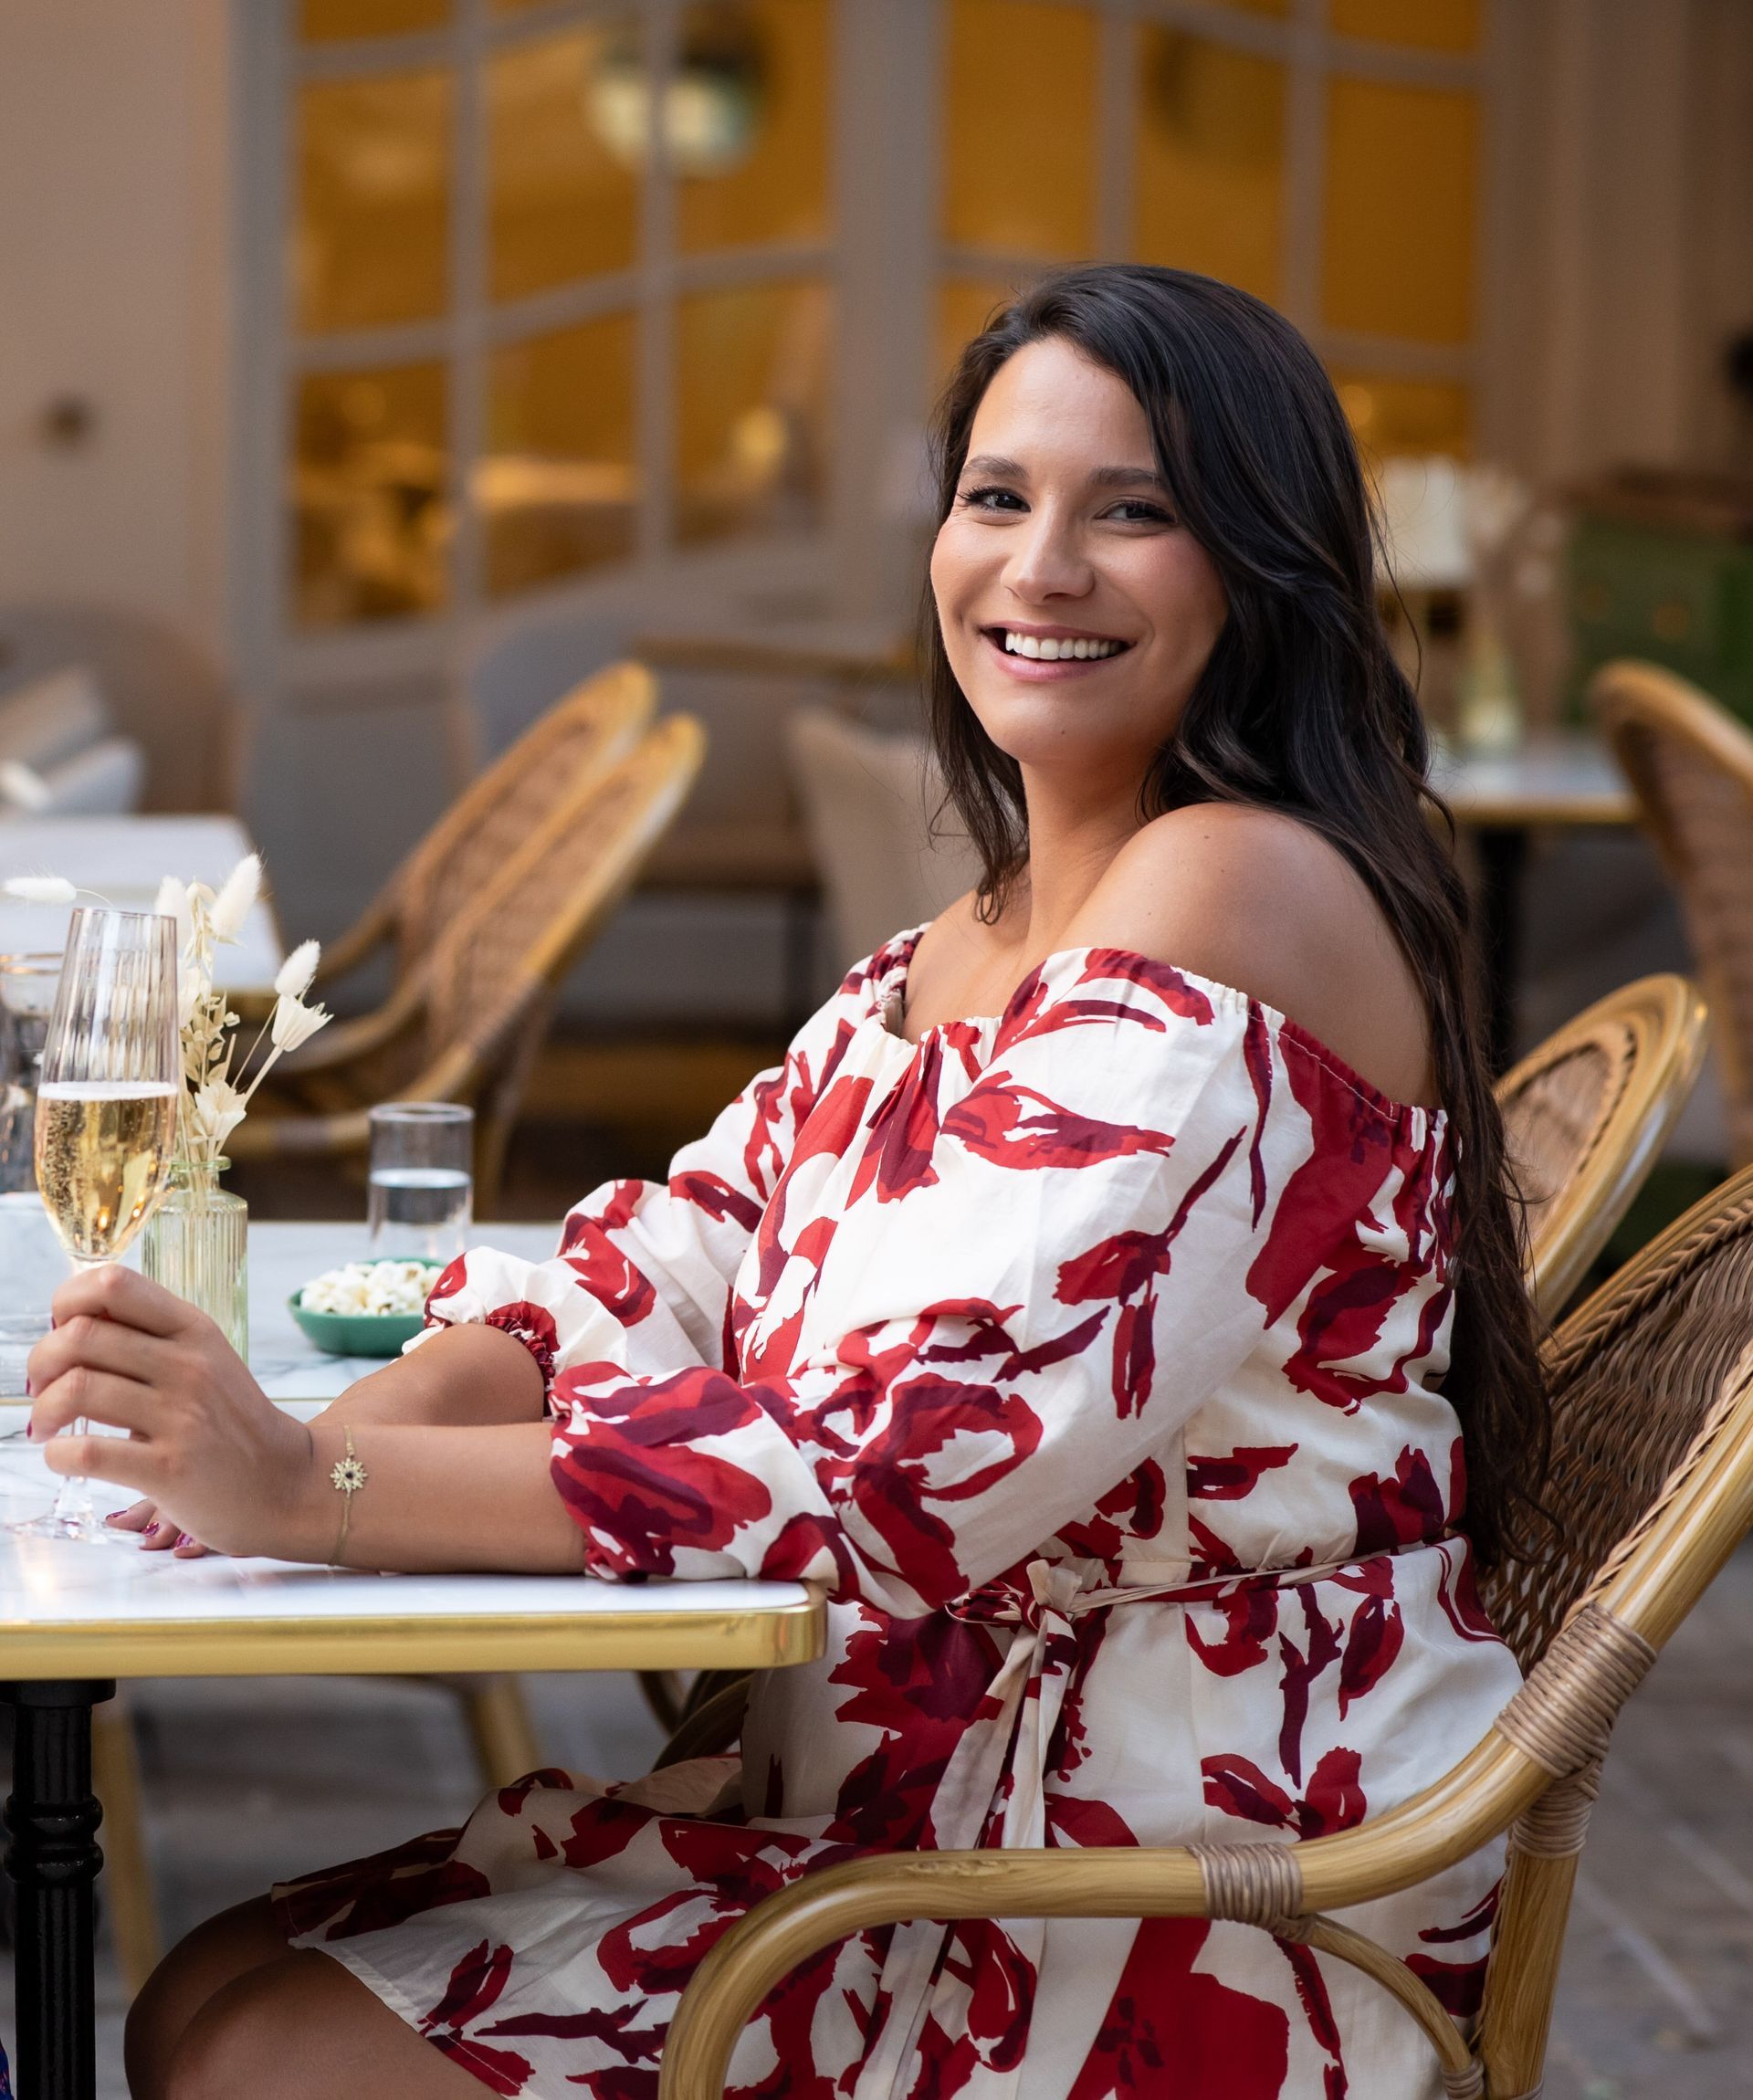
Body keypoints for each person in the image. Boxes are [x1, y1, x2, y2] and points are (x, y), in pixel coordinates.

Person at [32, 265, 1547, 2100]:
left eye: (1133, 513)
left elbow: (908, 1472)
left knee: (263, 2052)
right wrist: (386, 1409)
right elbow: (667, 1252)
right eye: (997, 498)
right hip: (913, 1804)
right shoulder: (964, 948)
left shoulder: (1234, 889)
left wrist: (312, 1483)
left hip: (1167, 1874)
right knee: (209, 1986)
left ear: (1260, 563)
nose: (1041, 566)